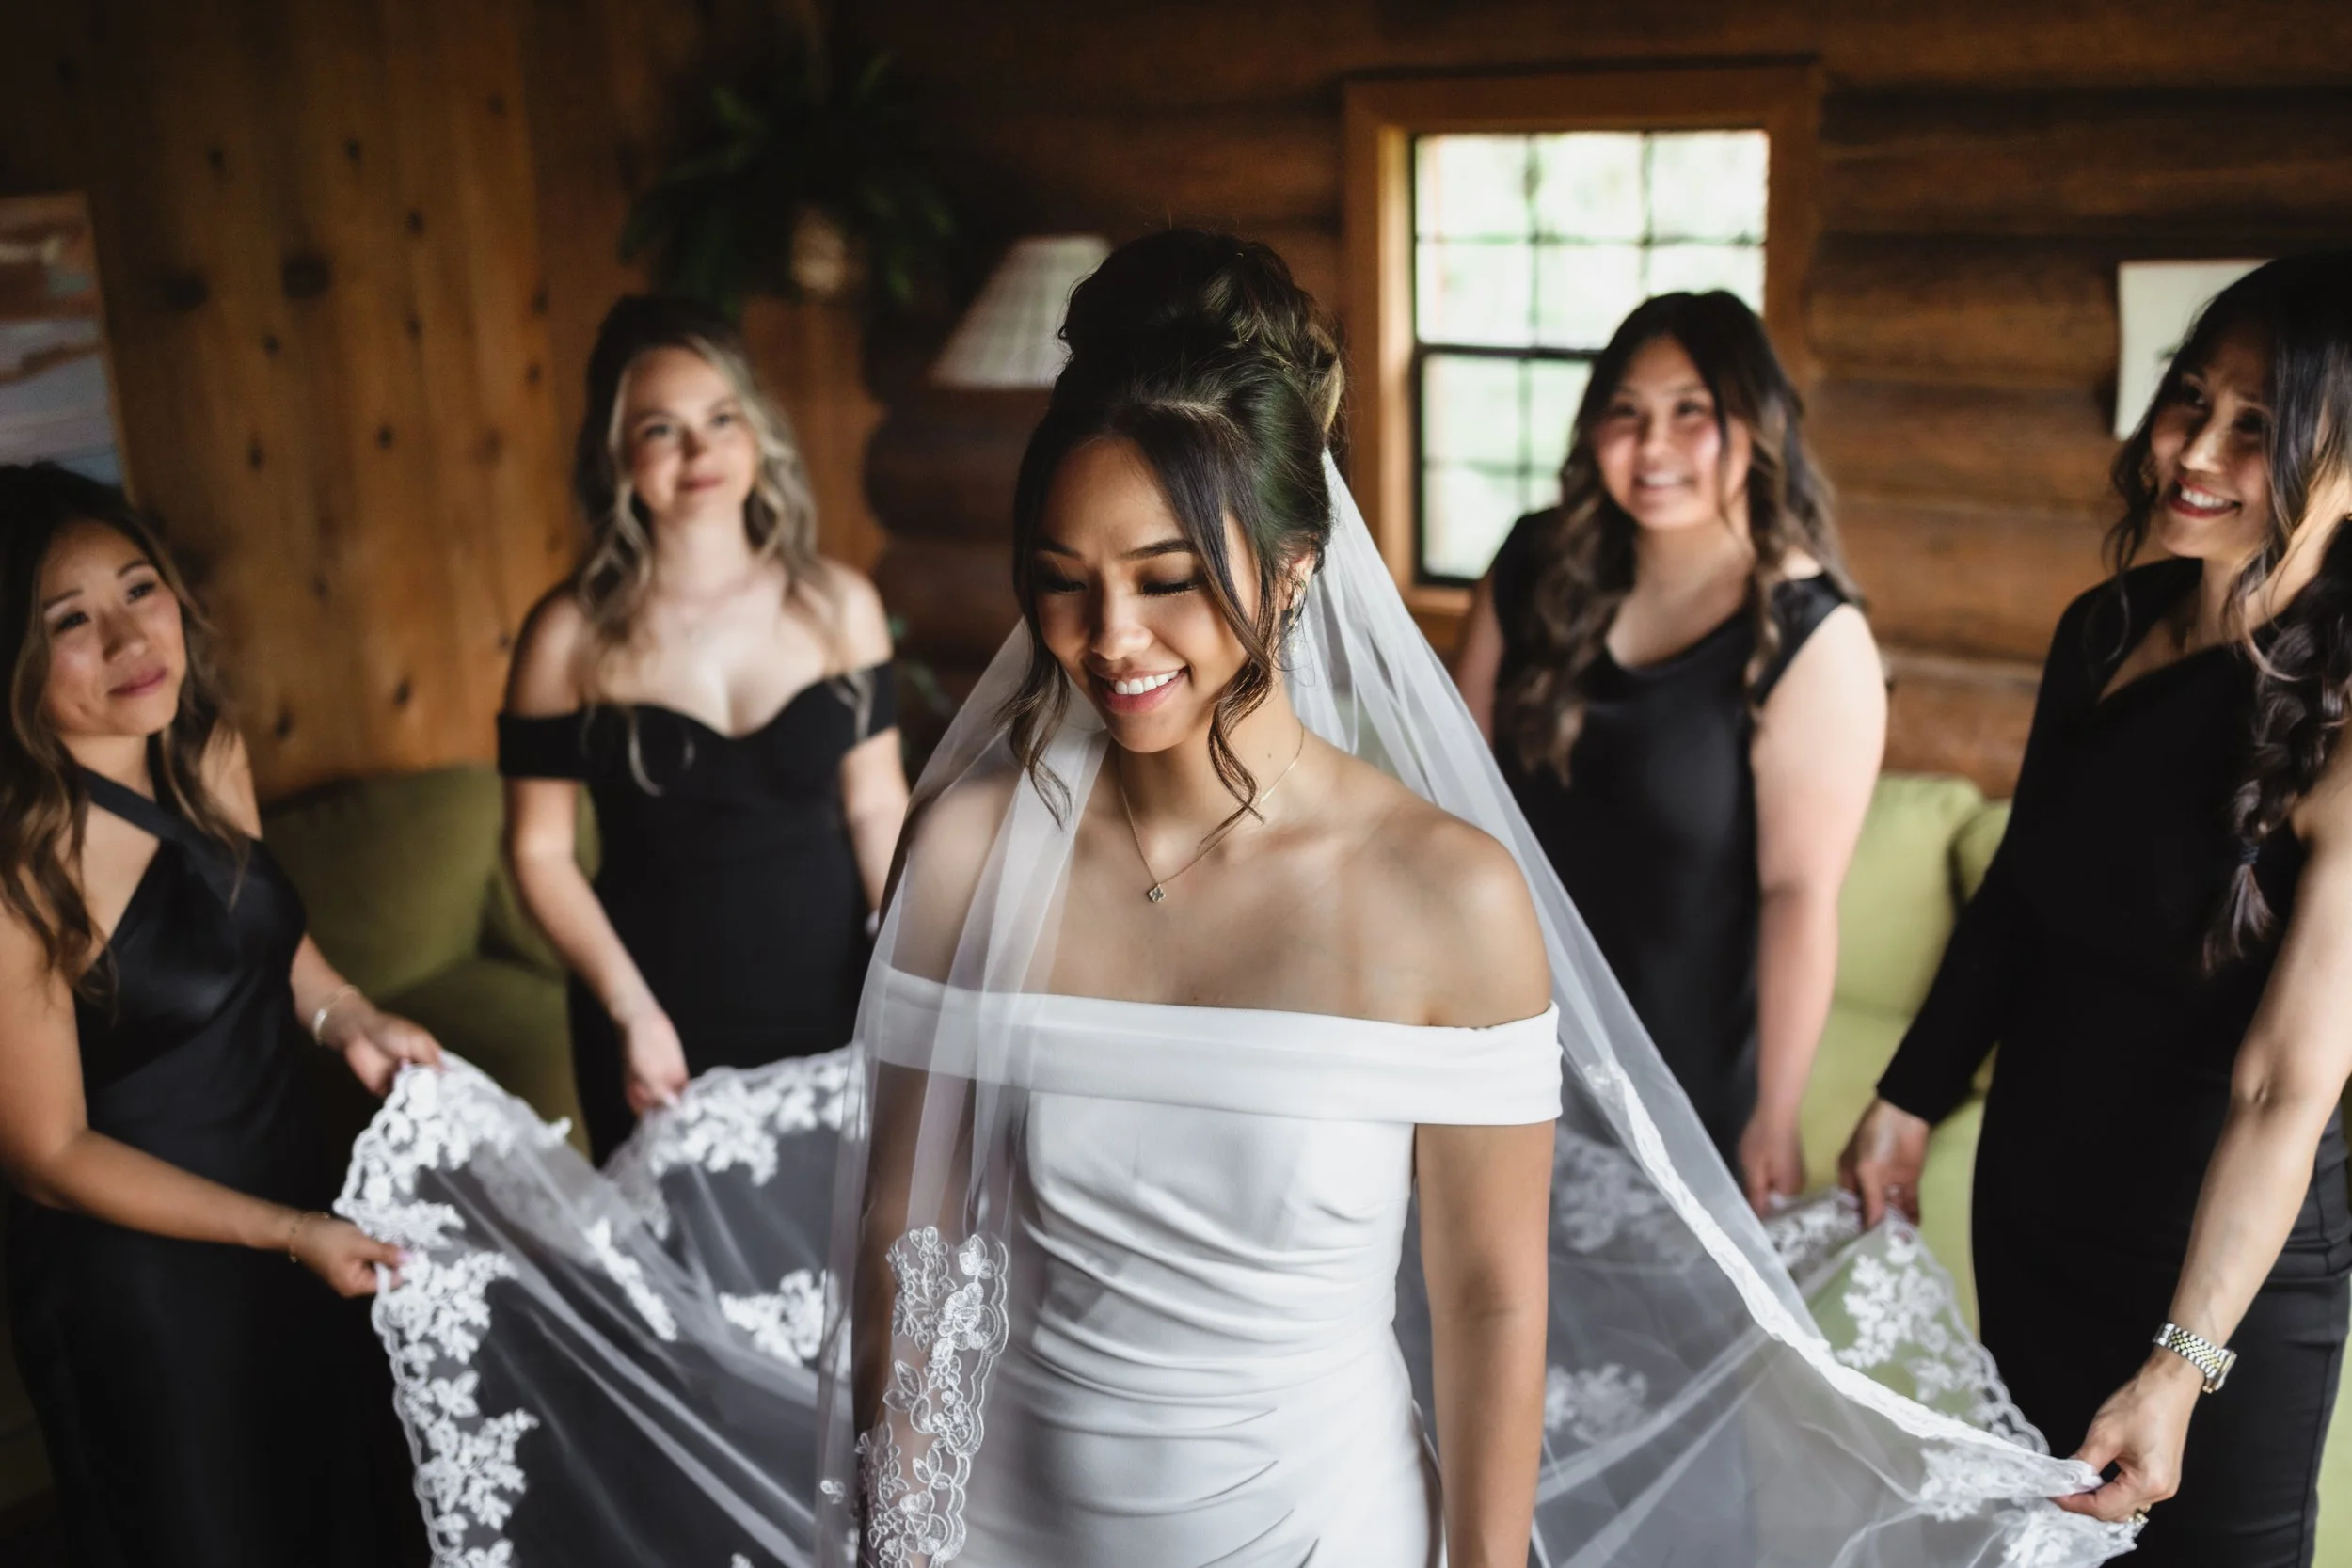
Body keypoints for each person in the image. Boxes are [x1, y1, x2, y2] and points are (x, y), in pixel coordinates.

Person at [334, 233, 2136, 1568]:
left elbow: (1493, 1288)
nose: (1110, 641)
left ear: (1291, 572)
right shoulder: (970, 856)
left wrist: (1481, 1558)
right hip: (1010, 1519)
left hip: (1312, 1521)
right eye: (1062, 584)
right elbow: (906, 1241)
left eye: (1168, 581)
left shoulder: (1444, 897)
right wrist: (899, 1523)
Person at [1841, 252, 2352, 1567]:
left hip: (2220, 1271)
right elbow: (2022, 892)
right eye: (2191, 398)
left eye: (2256, 426)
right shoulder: (2101, 626)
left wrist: (2182, 1366)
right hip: (2033, 1199)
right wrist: (1910, 1090)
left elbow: (2284, 1086)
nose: (2188, 447)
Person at [0, 464, 434, 1567]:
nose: (126, 636)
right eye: (69, 620)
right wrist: (285, 1234)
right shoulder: (20, 870)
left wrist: (354, 1020)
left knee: (350, 1510)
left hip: (300, 1206)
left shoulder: (207, 754)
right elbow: (47, 1154)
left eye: (138, 590)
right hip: (151, 1285)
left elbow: (282, 959)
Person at [1453, 293, 1886, 1212]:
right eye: (1626, 412)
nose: (1652, 447)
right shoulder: (1530, 564)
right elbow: (1455, 791)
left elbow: (1796, 894)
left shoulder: (1810, 635)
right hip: (1499, 1028)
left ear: (1757, 421)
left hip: (1682, 1074)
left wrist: (1776, 1107)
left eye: (1691, 411)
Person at [501, 294, 909, 1162]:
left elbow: (877, 804)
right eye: (660, 429)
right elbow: (537, 852)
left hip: (832, 992)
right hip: (655, 1010)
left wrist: (911, 956)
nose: (699, 451)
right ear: (617, 456)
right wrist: (631, 1011)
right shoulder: (565, 636)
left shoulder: (839, 605)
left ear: (757, 431)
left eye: (721, 418)